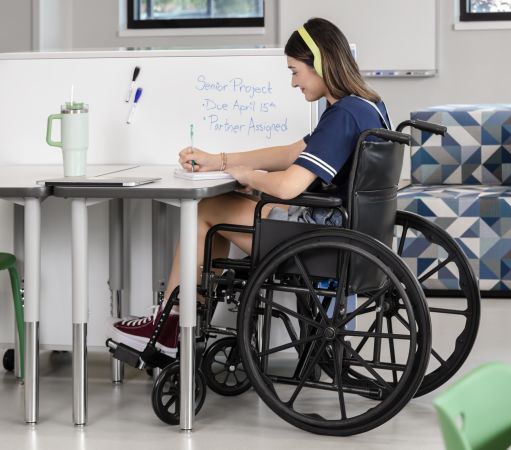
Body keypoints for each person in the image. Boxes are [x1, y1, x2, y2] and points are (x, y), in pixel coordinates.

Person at [109, 17, 393, 357]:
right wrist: (223, 160)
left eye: (294, 71)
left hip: (320, 241)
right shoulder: (368, 106)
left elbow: (288, 185)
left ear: (319, 64)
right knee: (229, 206)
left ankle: (172, 324)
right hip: (350, 232)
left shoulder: (343, 114)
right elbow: (293, 152)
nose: (293, 83)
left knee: (205, 210)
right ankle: (181, 322)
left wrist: (246, 174)